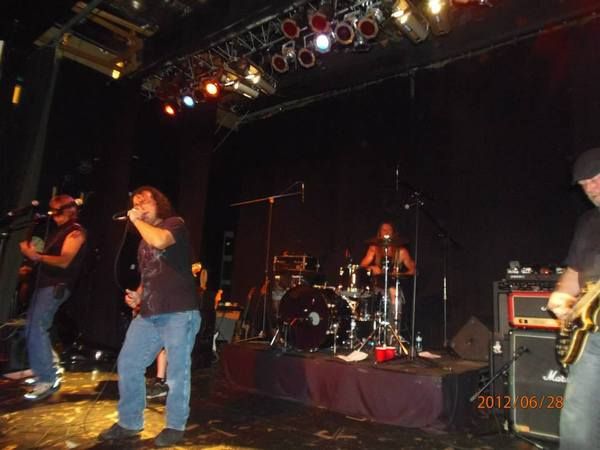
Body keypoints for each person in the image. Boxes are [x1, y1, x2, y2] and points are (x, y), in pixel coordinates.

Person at [98, 186, 201, 448]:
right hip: (149, 313)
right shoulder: (143, 240)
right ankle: (130, 423)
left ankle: (175, 425)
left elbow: (161, 241)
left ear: (159, 204)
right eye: (135, 203)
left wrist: (135, 219)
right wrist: (139, 296)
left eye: (144, 201)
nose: (139, 206)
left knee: (177, 371)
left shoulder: (174, 224)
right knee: (128, 362)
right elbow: (149, 275)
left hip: (178, 311)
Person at [546, 148, 600, 450]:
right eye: (585, 183)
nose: (592, 187)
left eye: (597, 178)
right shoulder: (588, 222)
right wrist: (562, 296)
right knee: (577, 422)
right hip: (591, 336)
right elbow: (575, 271)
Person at [18, 195, 87, 400]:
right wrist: (33, 264)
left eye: (56, 209)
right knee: (34, 327)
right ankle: (50, 368)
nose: (53, 213)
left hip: (57, 285)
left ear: (68, 210)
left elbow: (65, 260)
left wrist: (36, 256)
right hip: (45, 285)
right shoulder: (57, 232)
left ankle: (47, 378)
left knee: (36, 327)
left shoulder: (75, 231)